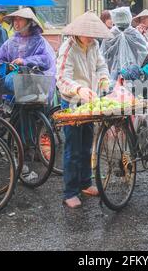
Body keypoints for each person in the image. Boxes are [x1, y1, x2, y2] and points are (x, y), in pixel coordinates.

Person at [57, 11, 112, 208]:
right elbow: (62, 78)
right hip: (72, 103)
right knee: (72, 148)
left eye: (92, 33)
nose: (89, 37)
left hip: (90, 102)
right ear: (78, 31)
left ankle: (85, 182)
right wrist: (78, 89)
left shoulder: (94, 45)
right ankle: (70, 192)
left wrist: (104, 79)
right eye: (86, 33)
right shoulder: (68, 48)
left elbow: (101, 67)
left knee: (87, 144)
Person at [0, 8, 56, 101]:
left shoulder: (39, 41)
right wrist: (8, 66)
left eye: (20, 19)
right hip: (15, 86)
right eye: (15, 19)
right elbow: (0, 60)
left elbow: (46, 60)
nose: (16, 23)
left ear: (29, 22)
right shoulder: (11, 42)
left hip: (35, 84)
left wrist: (25, 61)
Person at [101, 7, 148, 81]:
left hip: (112, 74)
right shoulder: (134, 33)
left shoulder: (110, 34)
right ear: (129, 17)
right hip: (131, 73)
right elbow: (144, 50)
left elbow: (103, 55)